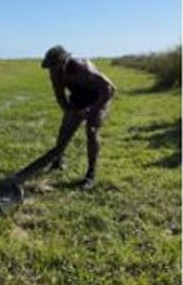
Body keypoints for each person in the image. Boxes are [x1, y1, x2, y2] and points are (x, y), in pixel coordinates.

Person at [15, 45, 115, 190]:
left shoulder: (83, 68)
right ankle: (58, 160)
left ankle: (90, 174)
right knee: (64, 133)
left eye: (54, 65)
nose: (52, 69)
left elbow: (109, 89)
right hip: (77, 100)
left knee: (92, 131)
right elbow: (60, 95)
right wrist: (68, 110)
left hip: (98, 99)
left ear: (64, 61)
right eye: (49, 66)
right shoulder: (55, 74)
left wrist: (91, 110)